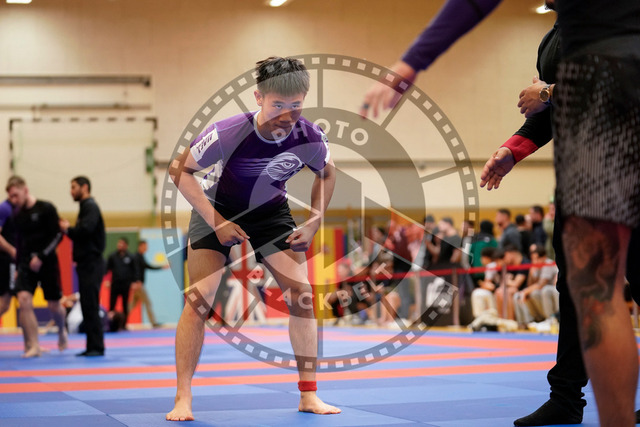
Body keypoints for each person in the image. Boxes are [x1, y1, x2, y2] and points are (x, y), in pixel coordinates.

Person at [361, 0, 639, 424]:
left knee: (594, 288)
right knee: (582, 285)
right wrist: (513, 150)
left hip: (619, 143)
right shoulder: (555, 39)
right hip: (592, 155)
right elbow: (551, 118)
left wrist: (547, 92)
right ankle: (566, 395)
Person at [166, 56, 339, 421]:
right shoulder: (229, 133)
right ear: (258, 98)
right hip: (218, 207)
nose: (286, 116)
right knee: (200, 299)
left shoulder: (309, 136)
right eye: (277, 105)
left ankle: (309, 394)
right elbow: (179, 169)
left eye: (295, 106)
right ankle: (183, 396)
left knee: (302, 296)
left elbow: (327, 174)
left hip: (270, 213)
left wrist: (313, 223)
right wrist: (217, 223)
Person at [6, 176, 67, 357]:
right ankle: (34, 345)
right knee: (24, 299)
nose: (13, 200)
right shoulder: (17, 215)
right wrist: (18, 267)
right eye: (11, 197)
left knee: (54, 305)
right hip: (26, 263)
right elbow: (19, 243)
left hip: (47, 261)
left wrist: (41, 256)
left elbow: (58, 235)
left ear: (25, 190)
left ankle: (62, 330)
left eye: (16, 195)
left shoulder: (46, 208)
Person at [59, 176, 106, 357]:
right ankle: (92, 345)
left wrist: (68, 229)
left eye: (74, 187)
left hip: (91, 263)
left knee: (91, 304)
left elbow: (86, 230)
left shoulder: (90, 207)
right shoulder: (85, 207)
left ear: (84, 187)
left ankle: (97, 346)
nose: (71, 191)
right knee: (87, 305)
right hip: (87, 263)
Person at [129, 240, 165, 328]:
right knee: (148, 302)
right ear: (140, 246)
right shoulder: (136, 257)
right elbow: (135, 270)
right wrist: (137, 281)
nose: (146, 248)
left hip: (138, 284)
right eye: (145, 246)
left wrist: (161, 267)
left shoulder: (141, 257)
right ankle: (153, 322)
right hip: (138, 285)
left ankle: (121, 318)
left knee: (132, 305)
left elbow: (147, 266)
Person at [105, 237, 138, 326]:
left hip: (126, 285)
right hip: (115, 284)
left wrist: (134, 282)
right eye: (119, 243)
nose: (120, 245)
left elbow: (134, 270)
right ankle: (109, 324)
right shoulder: (112, 256)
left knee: (125, 305)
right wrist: (107, 280)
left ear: (126, 245)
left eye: (122, 244)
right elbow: (107, 269)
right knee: (112, 305)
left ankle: (124, 324)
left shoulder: (130, 257)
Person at [0, 198, 16, 318]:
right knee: (4, 303)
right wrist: (12, 251)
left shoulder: (17, 210)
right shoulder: (5, 208)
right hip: (6, 260)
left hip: (11, 261)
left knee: (5, 304)